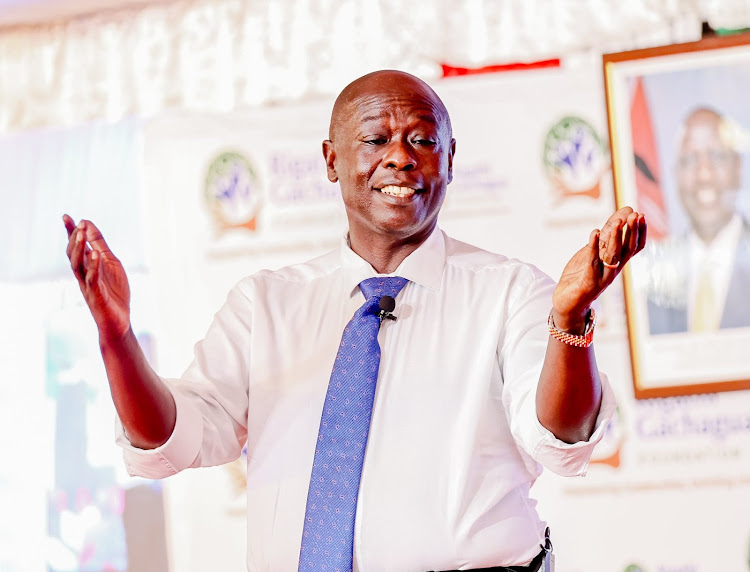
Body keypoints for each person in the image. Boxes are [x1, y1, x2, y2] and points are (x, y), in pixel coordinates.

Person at [64, 70, 646, 571]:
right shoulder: (265, 304)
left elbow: (562, 438)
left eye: (422, 139)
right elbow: (169, 439)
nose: (400, 156)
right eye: (376, 139)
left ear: (448, 160)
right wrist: (116, 338)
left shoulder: (511, 292)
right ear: (331, 160)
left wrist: (570, 319)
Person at [647, 107, 750, 334]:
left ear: (738, 167)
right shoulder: (653, 275)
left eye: (717, 156)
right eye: (690, 159)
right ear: (675, 174)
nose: (704, 175)